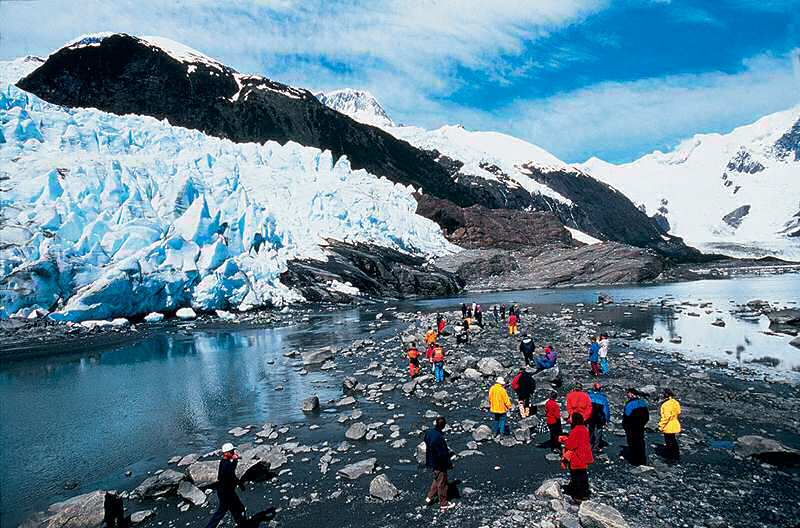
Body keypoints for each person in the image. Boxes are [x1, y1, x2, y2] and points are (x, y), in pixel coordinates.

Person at [205, 443, 276, 528]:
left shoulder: (224, 462)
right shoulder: (226, 465)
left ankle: (241, 524)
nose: (233, 453)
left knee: (237, 508)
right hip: (226, 493)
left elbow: (232, 475)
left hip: (227, 492)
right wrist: (235, 460)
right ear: (226, 453)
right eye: (231, 451)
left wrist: (239, 484)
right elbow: (231, 471)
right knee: (223, 511)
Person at [560, 413, 594, 501]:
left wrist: (565, 440)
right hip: (584, 455)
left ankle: (578, 495)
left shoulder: (575, 430)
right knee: (583, 475)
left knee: (576, 476)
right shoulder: (585, 429)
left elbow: (571, 445)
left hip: (576, 456)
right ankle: (585, 494)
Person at [424, 416, 455, 511]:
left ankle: (429, 497)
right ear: (444, 426)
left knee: (437, 479)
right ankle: (444, 505)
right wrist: (449, 463)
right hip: (439, 464)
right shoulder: (439, 438)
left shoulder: (429, 432)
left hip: (431, 460)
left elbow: (426, 440)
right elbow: (442, 454)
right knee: (442, 484)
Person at [622, 388, 650, 466]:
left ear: (632, 394)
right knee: (641, 443)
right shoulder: (642, 402)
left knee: (632, 443)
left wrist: (625, 427)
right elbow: (647, 416)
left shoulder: (630, 404)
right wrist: (642, 424)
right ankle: (642, 460)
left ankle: (634, 461)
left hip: (631, 428)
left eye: (628, 393)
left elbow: (626, 416)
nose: (627, 395)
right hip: (640, 427)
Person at [658, 389, 682, 461]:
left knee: (669, 441)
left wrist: (661, 425)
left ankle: (671, 457)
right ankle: (676, 455)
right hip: (675, 423)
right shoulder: (675, 402)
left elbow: (666, 417)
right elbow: (679, 411)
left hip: (668, 425)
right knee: (673, 440)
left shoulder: (666, 404)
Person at [588, 382, 610, 451]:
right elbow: (606, 410)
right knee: (599, 430)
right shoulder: (603, 398)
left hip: (590, 416)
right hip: (599, 417)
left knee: (591, 429)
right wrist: (607, 420)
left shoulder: (588, 396)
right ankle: (597, 445)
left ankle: (590, 443)